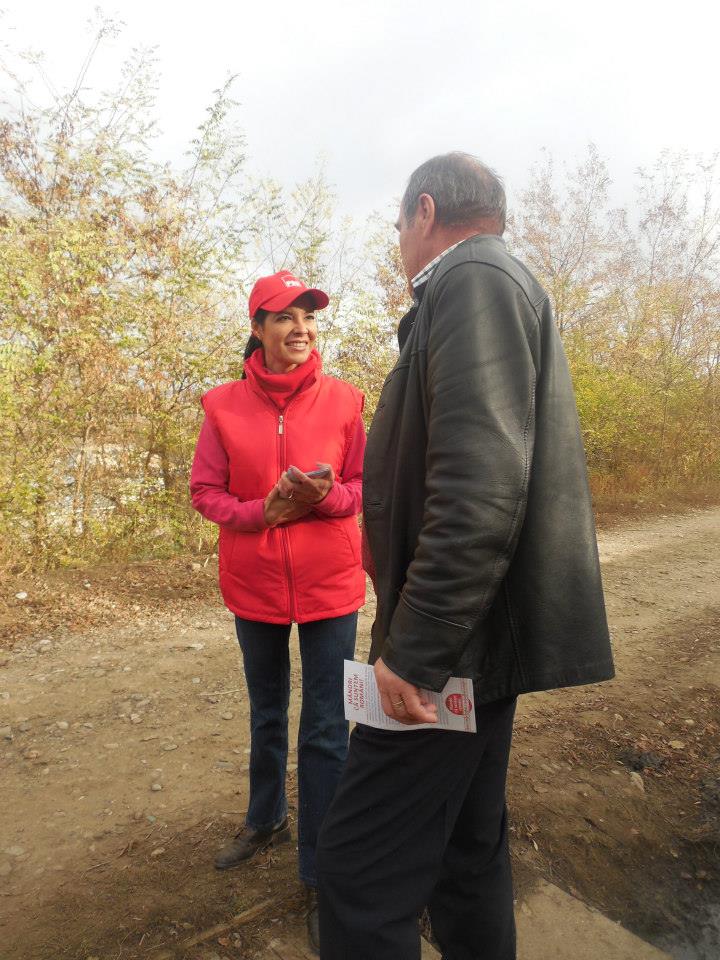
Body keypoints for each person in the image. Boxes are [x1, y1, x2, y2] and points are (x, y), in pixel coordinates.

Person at [315, 153, 615, 960]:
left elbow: (480, 489)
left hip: (449, 651)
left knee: (359, 870)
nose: (398, 243)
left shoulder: (471, 280)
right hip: (471, 642)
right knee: (464, 851)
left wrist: (414, 652)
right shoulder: (482, 284)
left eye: (397, 226)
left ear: (424, 211)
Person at [190, 269, 365, 954]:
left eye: (309, 317)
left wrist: (327, 499)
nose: (301, 328)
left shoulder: (346, 400)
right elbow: (205, 492)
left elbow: (364, 486)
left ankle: (322, 874)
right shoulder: (222, 406)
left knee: (326, 729)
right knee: (267, 712)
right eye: (286, 317)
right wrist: (258, 514)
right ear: (258, 328)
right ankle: (266, 820)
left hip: (330, 586)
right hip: (255, 583)